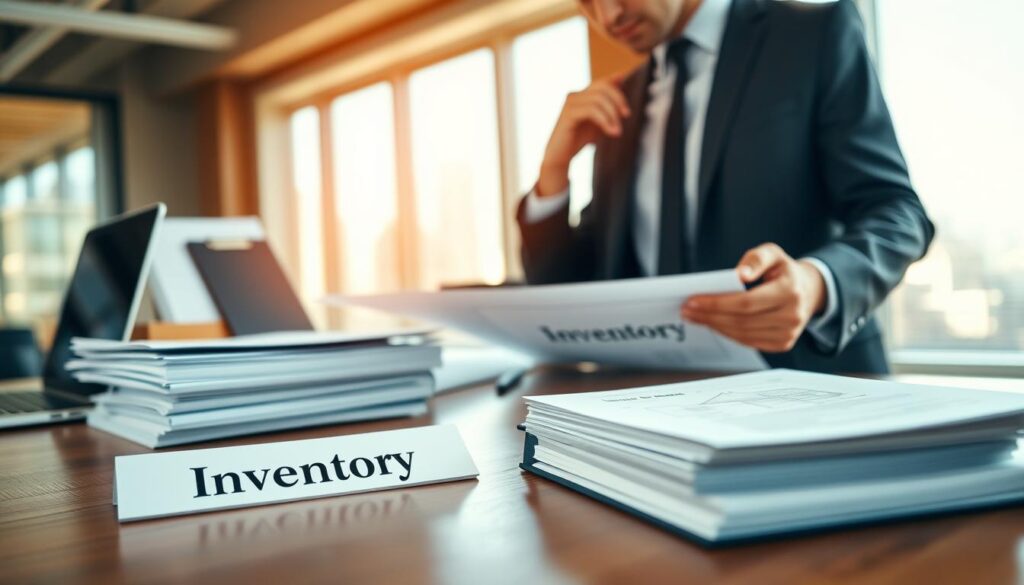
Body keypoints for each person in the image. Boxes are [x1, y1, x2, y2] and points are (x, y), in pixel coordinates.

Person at [517, 0, 935, 374]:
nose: (608, 15)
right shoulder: (616, 103)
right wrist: (552, 173)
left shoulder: (813, 34)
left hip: (813, 387)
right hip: (654, 409)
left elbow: (897, 212)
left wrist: (816, 282)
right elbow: (571, 286)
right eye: (586, 2)